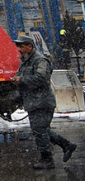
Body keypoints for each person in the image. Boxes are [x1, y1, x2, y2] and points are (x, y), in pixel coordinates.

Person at [13, 34, 77, 168]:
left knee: (40, 130)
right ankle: (67, 145)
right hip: (32, 102)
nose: (19, 49)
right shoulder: (25, 61)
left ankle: (47, 160)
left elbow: (42, 79)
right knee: (40, 130)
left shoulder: (40, 61)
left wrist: (22, 80)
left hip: (42, 102)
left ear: (30, 47)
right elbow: (21, 76)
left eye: (21, 46)